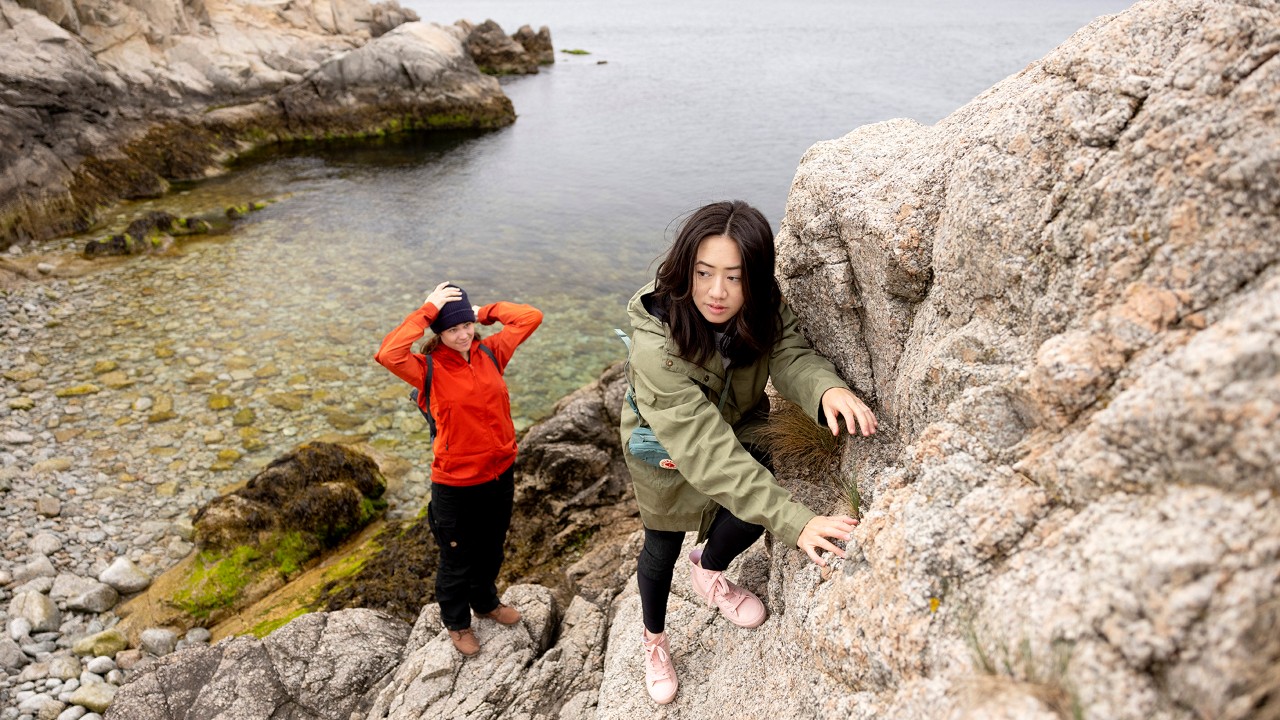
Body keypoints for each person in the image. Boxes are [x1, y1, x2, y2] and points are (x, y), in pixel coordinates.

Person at [620, 200, 877, 704]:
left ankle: (709, 568)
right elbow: (705, 448)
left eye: (735, 277)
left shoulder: (763, 306)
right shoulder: (655, 347)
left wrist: (825, 389)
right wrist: (798, 522)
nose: (718, 292)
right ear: (684, 269)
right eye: (704, 273)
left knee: (753, 511)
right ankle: (654, 641)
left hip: (741, 425)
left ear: (754, 278)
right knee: (661, 546)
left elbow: (789, 354)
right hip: (666, 448)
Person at [375, 281, 543, 657]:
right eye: (452, 329)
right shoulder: (426, 368)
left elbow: (531, 317)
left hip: (500, 474)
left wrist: (481, 312)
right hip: (455, 484)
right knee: (456, 558)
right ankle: (457, 623)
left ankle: (485, 603)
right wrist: (428, 310)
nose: (463, 334)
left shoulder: (491, 351)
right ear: (439, 331)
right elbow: (388, 352)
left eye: (466, 326)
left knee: (491, 549)